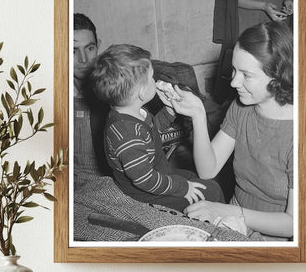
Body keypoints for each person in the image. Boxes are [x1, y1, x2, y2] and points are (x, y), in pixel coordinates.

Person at [168, 21, 294, 239]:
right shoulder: (240, 107)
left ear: (279, 76)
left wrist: (226, 211)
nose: (234, 82)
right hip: (234, 220)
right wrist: (197, 115)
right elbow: (208, 170)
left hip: (275, 235)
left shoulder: (300, 134)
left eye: (247, 75)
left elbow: (293, 224)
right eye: (234, 70)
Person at [90, 44, 225, 212]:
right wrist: (182, 188)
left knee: (197, 179)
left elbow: (151, 136)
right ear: (142, 92)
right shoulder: (126, 135)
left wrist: (169, 111)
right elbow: (145, 179)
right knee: (211, 192)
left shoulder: (132, 113)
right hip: (145, 194)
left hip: (161, 172)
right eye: (152, 77)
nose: (155, 81)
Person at [212, 0, 293, 102]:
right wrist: (262, 5)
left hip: (278, 22)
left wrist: (289, 2)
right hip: (247, 20)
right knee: (249, 70)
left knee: (276, 69)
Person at [73, 13, 109, 188]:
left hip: (109, 187)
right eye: (73, 51)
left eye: (89, 48)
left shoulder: (113, 90)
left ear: (98, 46)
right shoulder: (51, 96)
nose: (84, 60)